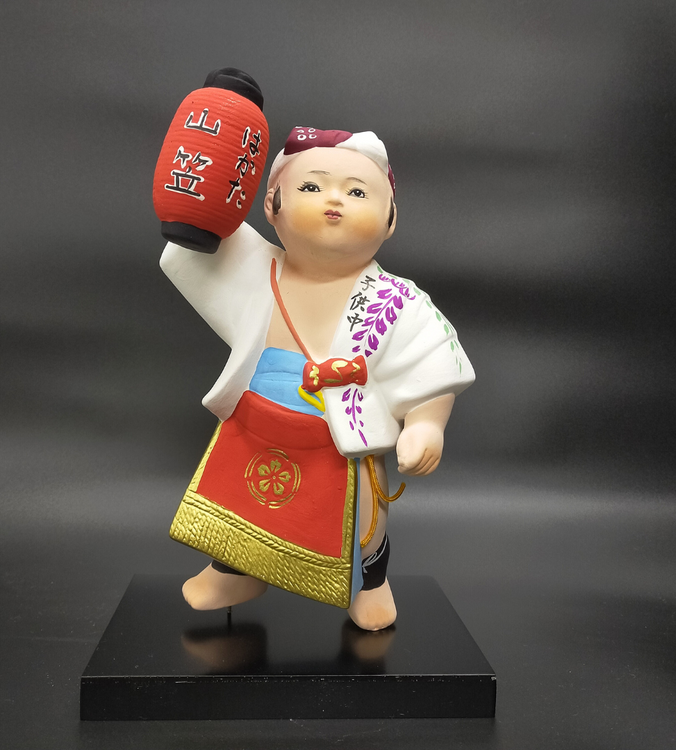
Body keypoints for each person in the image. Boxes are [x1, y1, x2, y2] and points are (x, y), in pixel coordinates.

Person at [161, 127, 474, 631]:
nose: (334, 200)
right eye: (311, 186)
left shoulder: (398, 300)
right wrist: (205, 171)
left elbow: (432, 366)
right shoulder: (255, 266)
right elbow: (198, 230)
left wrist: (425, 425)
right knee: (242, 503)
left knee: (360, 521)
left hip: (340, 433)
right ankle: (236, 571)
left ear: (390, 219)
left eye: (357, 192)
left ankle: (370, 583)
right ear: (272, 205)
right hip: (256, 421)